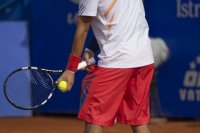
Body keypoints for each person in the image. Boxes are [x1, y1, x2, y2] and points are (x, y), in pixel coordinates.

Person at [56, 0, 154, 133]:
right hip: (144, 60)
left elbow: (83, 30)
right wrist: (90, 49)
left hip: (116, 63)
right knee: (139, 121)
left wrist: (71, 69)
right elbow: (118, 22)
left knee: (94, 119)